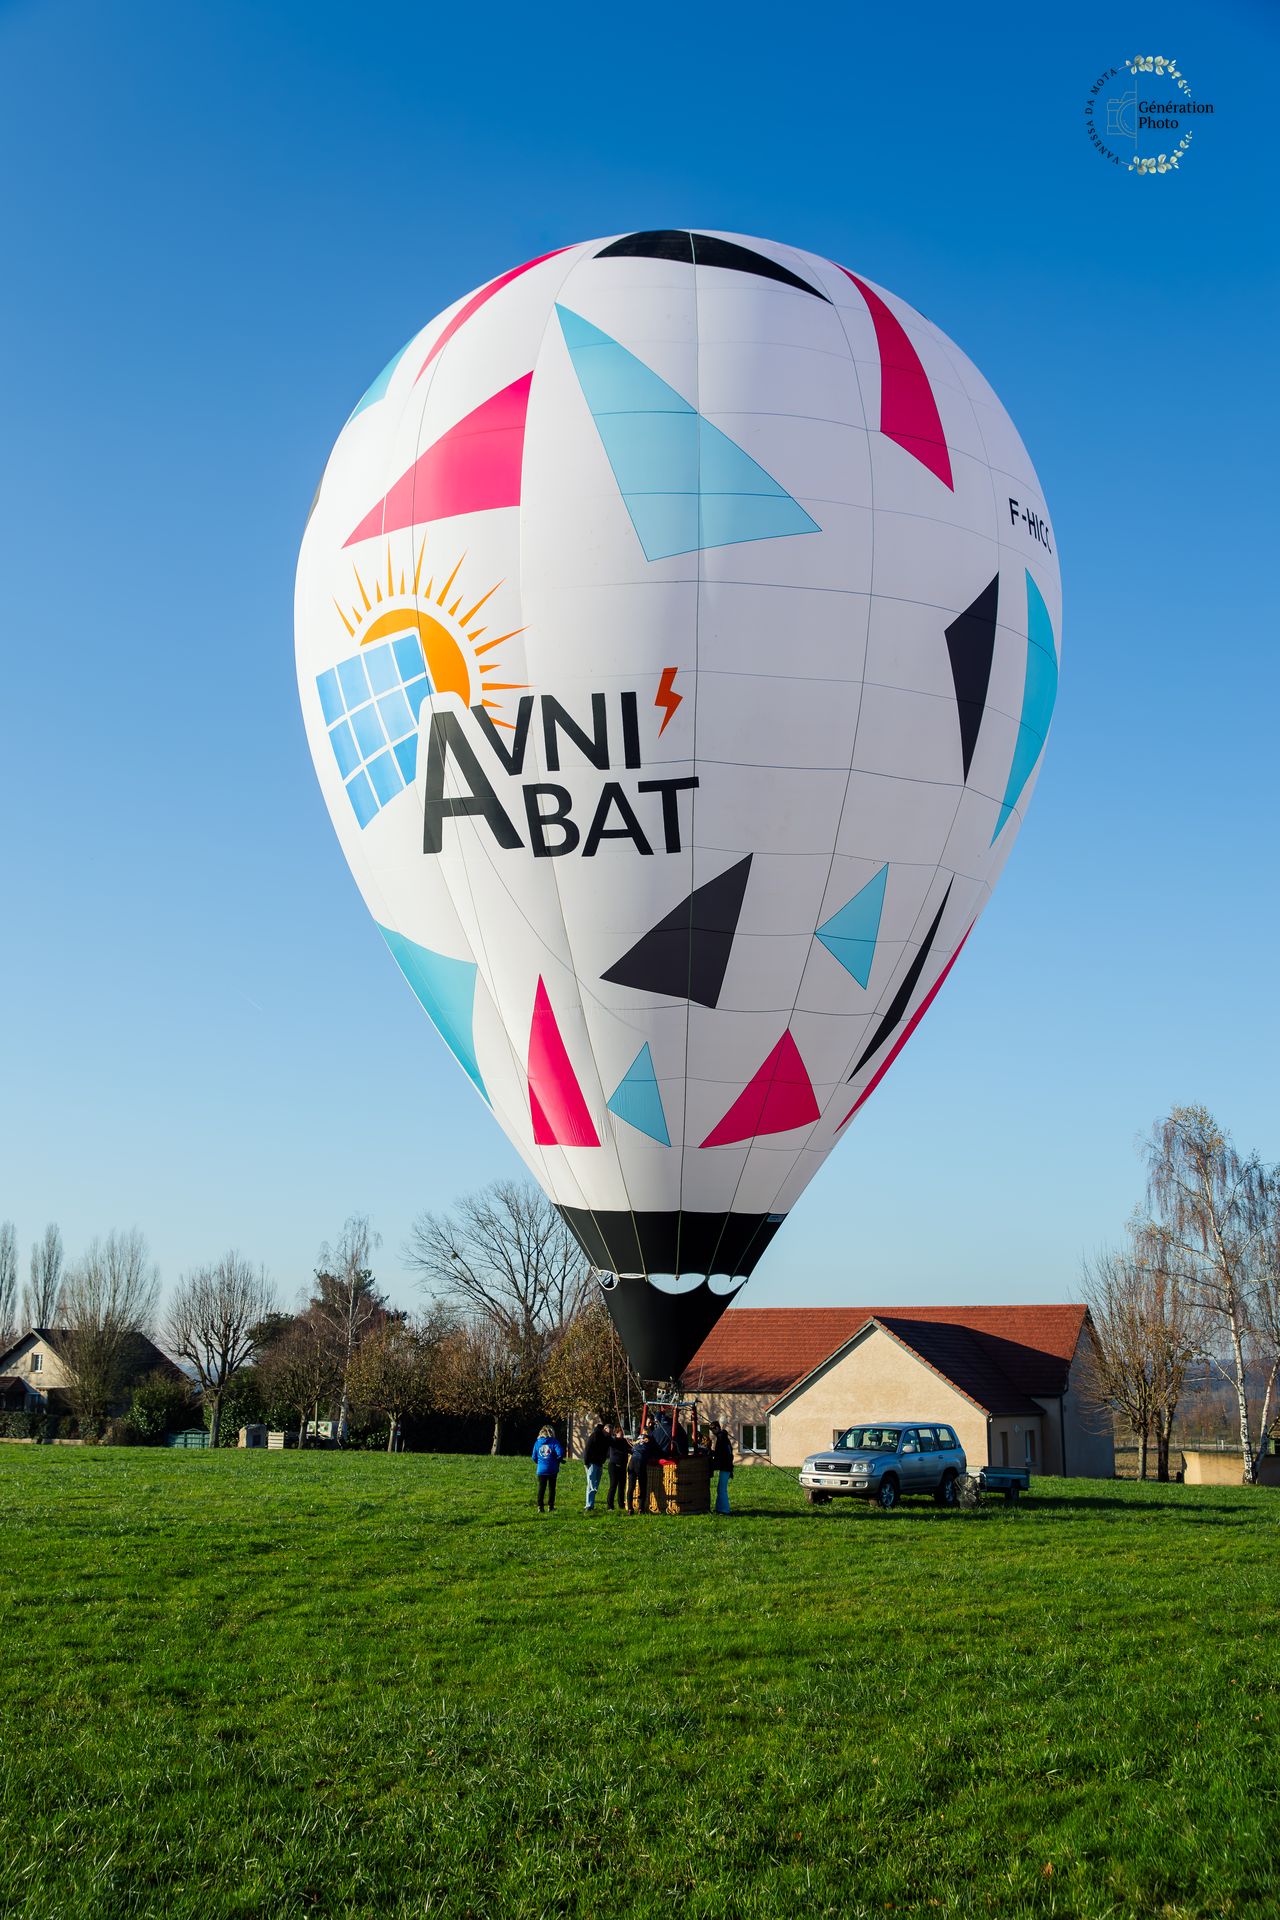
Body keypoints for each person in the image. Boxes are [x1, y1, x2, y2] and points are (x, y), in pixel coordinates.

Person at [531, 1425, 564, 1512]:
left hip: (541, 1470)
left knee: (541, 1488)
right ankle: (551, 1506)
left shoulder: (537, 1443)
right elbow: (560, 1453)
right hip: (552, 1469)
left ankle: (540, 1507)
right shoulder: (554, 1442)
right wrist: (558, 1460)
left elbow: (534, 1457)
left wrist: (540, 1463)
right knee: (552, 1488)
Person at [627, 1421, 655, 1513]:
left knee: (631, 1487)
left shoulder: (637, 1440)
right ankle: (640, 1508)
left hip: (632, 1462)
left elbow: (632, 1449)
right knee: (643, 1486)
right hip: (641, 1462)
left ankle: (630, 1508)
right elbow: (653, 1449)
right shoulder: (650, 1439)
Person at [582, 1418, 610, 1513]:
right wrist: (586, 1463)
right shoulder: (594, 1436)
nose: (609, 1434)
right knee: (591, 1485)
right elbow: (587, 1449)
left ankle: (591, 1504)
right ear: (604, 1429)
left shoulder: (605, 1438)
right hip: (592, 1463)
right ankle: (588, 1505)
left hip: (599, 1463)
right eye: (608, 1431)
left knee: (595, 1486)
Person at [710, 1420, 734, 1514]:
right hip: (727, 1466)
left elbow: (720, 1454)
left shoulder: (721, 1438)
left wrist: (711, 1455)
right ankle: (719, 1508)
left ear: (717, 1428)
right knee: (720, 1489)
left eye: (713, 1430)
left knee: (722, 1490)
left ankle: (725, 1510)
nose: (712, 1432)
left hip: (725, 1466)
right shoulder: (723, 1437)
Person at [606, 1423, 631, 1511]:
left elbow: (630, 1449)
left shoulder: (624, 1441)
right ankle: (610, 1506)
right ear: (616, 1433)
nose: (622, 1434)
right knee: (613, 1485)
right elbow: (612, 1441)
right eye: (621, 1432)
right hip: (614, 1466)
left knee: (621, 1486)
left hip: (622, 1466)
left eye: (623, 1432)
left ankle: (621, 1504)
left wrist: (630, 1443)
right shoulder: (614, 1440)